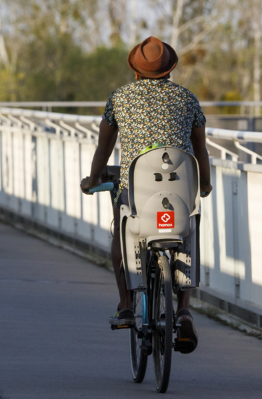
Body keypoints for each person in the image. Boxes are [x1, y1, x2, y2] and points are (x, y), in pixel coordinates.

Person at [80, 36, 212, 354]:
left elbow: (105, 146)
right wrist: (204, 185)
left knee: (121, 231)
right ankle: (183, 310)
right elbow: (200, 149)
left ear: (135, 71)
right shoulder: (187, 99)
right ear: (170, 69)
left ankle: (126, 305)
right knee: (188, 231)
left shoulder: (120, 99)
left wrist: (94, 178)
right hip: (179, 189)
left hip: (136, 192)